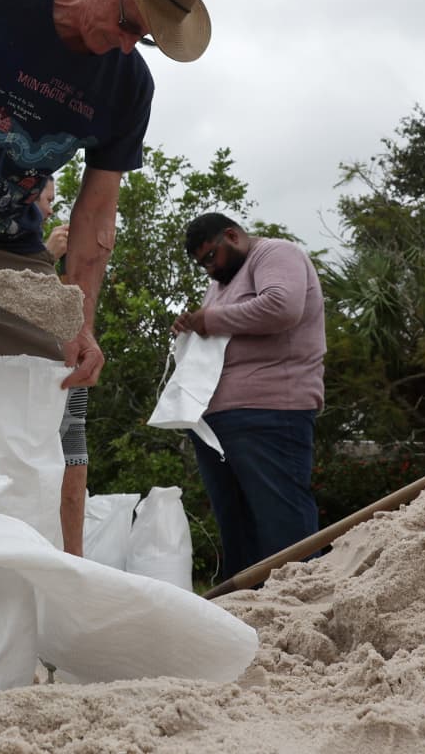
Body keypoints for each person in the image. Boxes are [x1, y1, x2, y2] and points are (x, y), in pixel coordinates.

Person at [0, 0, 214, 554]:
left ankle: (45, 580)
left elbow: (94, 215)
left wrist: (78, 322)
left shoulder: (128, 85)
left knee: (51, 398)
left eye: (148, 40)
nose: (130, 46)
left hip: (10, 242)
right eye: (130, 24)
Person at [172, 212, 326, 583]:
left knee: (283, 525)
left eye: (211, 257)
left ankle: (303, 608)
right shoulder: (222, 282)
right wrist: (193, 326)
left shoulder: (275, 254)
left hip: (271, 411)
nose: (209, 270)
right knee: (238, 529)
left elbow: (281, 307)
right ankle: (253, 620)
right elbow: (222, 322)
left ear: (232, 236)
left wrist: (208, 321)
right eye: (201, 264)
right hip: (218, 422)